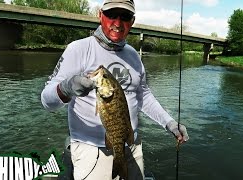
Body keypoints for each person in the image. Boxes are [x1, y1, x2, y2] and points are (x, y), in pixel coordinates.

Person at [41, 0, 189, 179]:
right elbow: (47, 102)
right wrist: (66, 88)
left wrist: (169, 123)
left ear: (132, 21)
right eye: (112, 14)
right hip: (92, 150)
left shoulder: (133, 55)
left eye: (125, 16)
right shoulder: (78, 49)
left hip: (131, 145)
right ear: (100, 15)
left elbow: (143, 96)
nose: (118, 23)